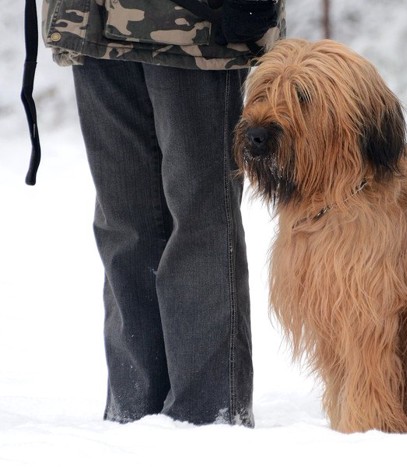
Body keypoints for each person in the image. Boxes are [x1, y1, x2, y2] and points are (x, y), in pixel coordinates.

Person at [41, 0, 285, 426]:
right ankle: (133, 414)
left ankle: (208, 418)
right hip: (90, 22)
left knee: (201, 220)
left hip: (194, 27)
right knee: (123, 224)